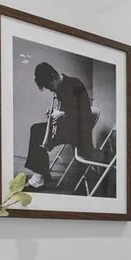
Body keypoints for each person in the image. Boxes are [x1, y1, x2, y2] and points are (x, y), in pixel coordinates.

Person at [24, 61, 97, 189]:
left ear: (54, 76)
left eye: (48, 85)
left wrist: (62, 113)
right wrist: (54, 113)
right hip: (67, 127)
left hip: (79, 132)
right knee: (36, 129)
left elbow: (85, 114)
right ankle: (42, 173)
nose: (49, 89)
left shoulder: (75, 84)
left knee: (38, 133)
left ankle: (39, 177)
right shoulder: (59, 87)